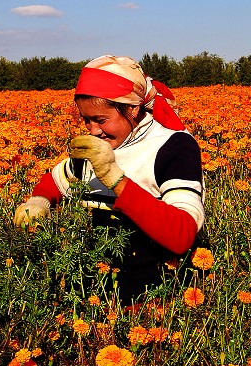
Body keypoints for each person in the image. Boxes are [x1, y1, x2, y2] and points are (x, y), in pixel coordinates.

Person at [14, 55, 205, 307]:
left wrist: (115, 178)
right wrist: (38, 202)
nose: (93, 131)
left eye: (101, 120)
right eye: (86, 120)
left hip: (156, 299)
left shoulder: (174, 147)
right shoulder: (100, 146)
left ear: (133, 109)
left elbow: (181, 235)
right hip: (94, 294)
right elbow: (57, 179)